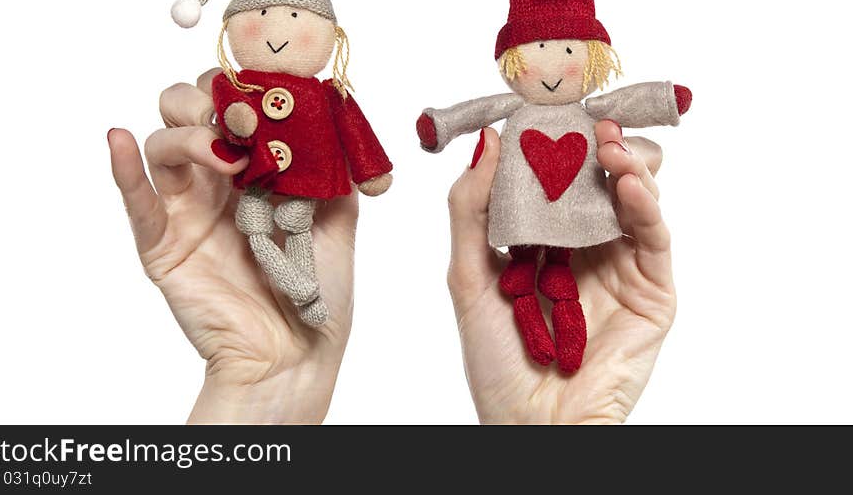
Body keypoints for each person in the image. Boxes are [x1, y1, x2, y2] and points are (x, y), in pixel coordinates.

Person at [108, 74, 674, 424]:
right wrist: (262, 399)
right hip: (514, 231)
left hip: (572, 239)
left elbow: (631, 99)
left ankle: (543, 296)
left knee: (555, 277)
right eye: (542, 46)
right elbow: (466, 116)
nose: (555, 63)